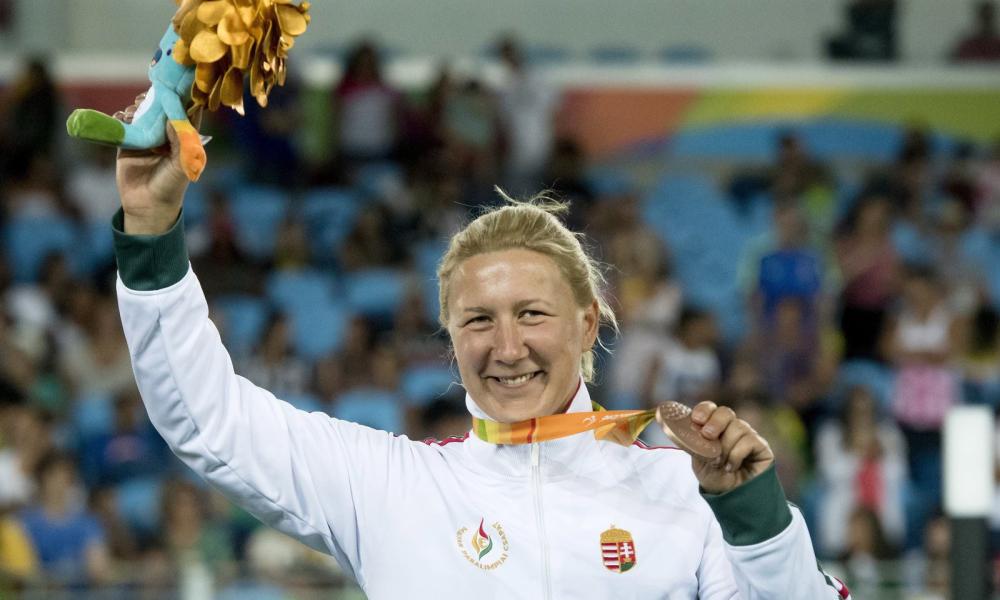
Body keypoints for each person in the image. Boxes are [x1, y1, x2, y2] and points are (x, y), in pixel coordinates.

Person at [106, 101, 851, 598]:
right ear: (450, 335)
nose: (507, 347)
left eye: (532, 314)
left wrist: (757, 519)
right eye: (478, 321)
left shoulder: (683, 495)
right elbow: (208, 420)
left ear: (587, 324)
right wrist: (150, 230)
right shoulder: (389, 489)